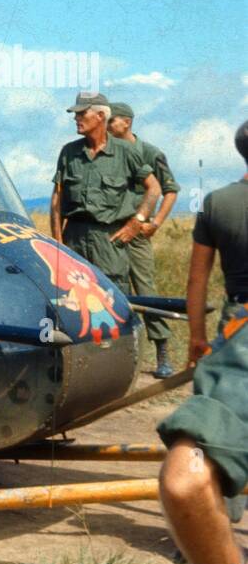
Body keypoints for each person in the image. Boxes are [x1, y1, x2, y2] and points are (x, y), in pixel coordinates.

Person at [156, 119, 248, 564]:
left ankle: (213, 531)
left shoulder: (215, 203)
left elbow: (197, 280)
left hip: (237, 327)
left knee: (217, 424)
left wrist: (195, 337)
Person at [50, 92, 161, 287]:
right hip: (74, 239)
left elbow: (154, 188)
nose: (76, 118)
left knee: (114, 300)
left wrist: (137, 222)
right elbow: (57, 200)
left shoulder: (125, 151)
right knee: (73, 298)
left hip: (109, 241)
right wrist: (58, 244)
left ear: (101, 116)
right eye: (75, 114)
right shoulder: (69, 152)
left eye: (82, 113)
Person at [106, 102, 181, 376]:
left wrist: (156, 222)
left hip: (137, 231)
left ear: (126, 122)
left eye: (112, 120)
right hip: (111, 230)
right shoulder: (107, 152)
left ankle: (162, 352)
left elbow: (169, 190)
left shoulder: (149, 152)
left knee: (145, 288)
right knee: (111, 287)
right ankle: (118, 355)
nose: (107, 125)